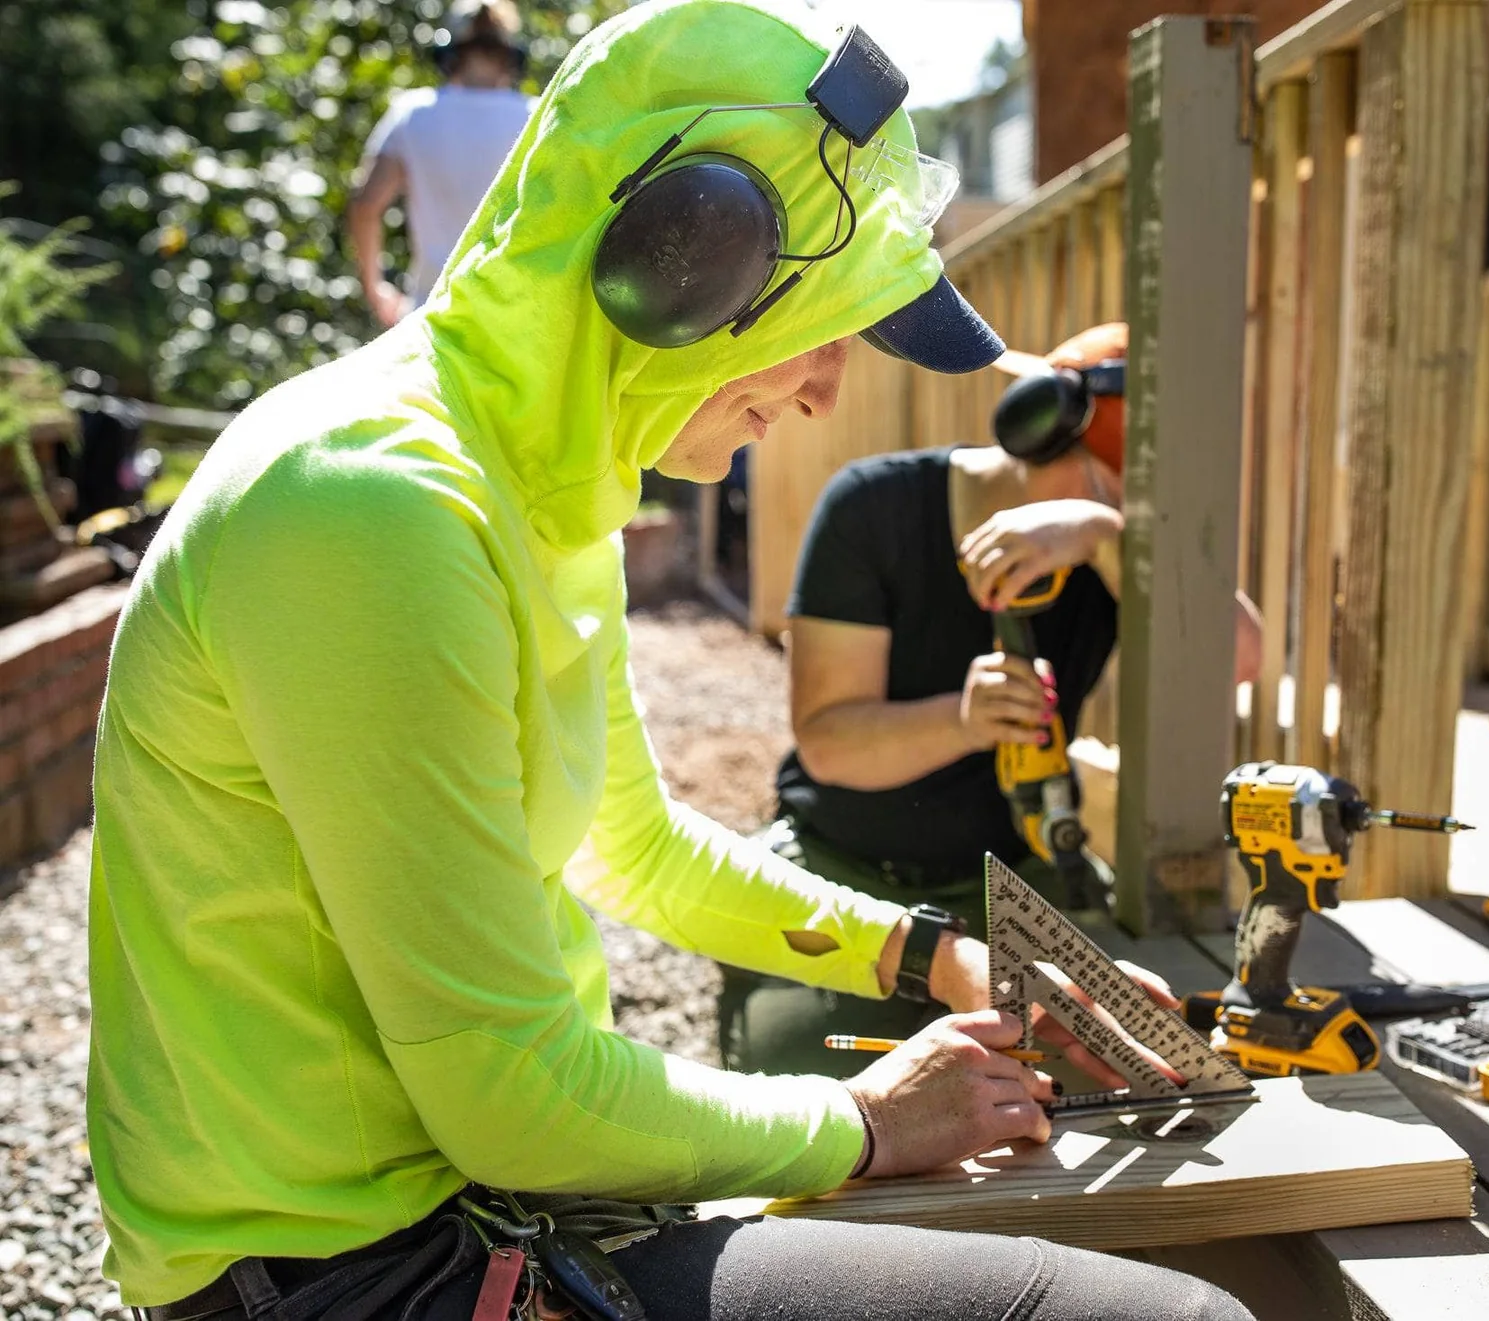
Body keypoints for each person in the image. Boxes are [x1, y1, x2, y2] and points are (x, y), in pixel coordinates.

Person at [86, 4, 1253, 1319]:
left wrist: (940, 957)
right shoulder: (376, 510)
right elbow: (513, 1096)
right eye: (820, 324)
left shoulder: (533, 483)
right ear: (676, 262)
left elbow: (630, 849)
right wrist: (862, 1118)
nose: (827, 389)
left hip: (453, 1209)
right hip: (351, 1269)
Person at [720, 322, 1263, 1080]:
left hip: (1016, 871)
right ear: (1037, 431)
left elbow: (1238, 660)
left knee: (1119, 1072)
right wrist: (964, 720)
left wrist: (1105, 533)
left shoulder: (1111, 548)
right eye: (1108, 489)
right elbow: (828, 742)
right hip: (846, 867)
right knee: (808, 1101)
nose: (1130, 513)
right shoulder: (875, 507)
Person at [345, 0, 533, 328]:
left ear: (451, 51)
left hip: (429, 318)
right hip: (513, 323)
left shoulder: (413, 114)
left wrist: (375, 287)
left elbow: (365, 205)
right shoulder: (535, 119)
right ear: (510, 54)